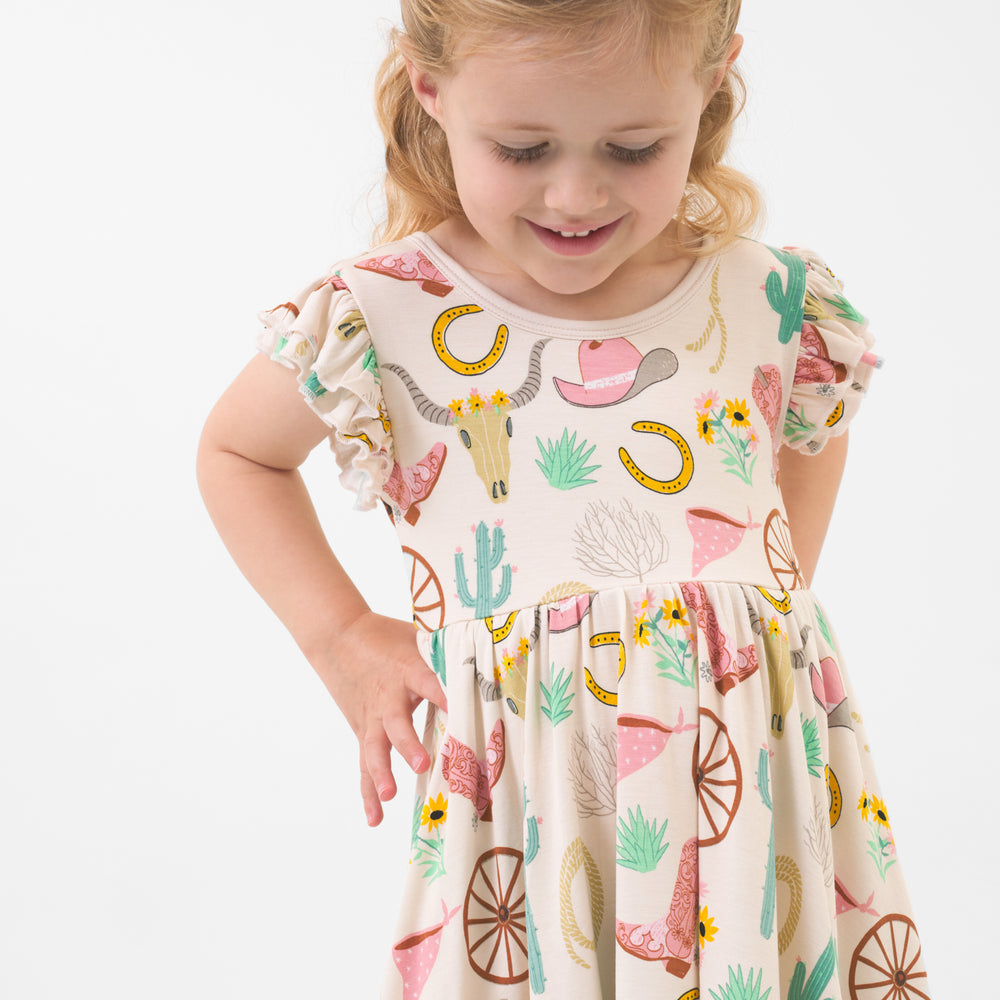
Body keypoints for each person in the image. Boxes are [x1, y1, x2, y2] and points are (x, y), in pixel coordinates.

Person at [197, 1, 928, 997]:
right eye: (522, 146)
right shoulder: (386, 310)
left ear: (709, 90)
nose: (576, 193)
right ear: (431, 89)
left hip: (751, 808)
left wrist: (748, 624)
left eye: (633, 148)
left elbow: (808, 429)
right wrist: (340, 637)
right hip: (534, 814)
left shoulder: (768, 297)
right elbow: (239, 452)